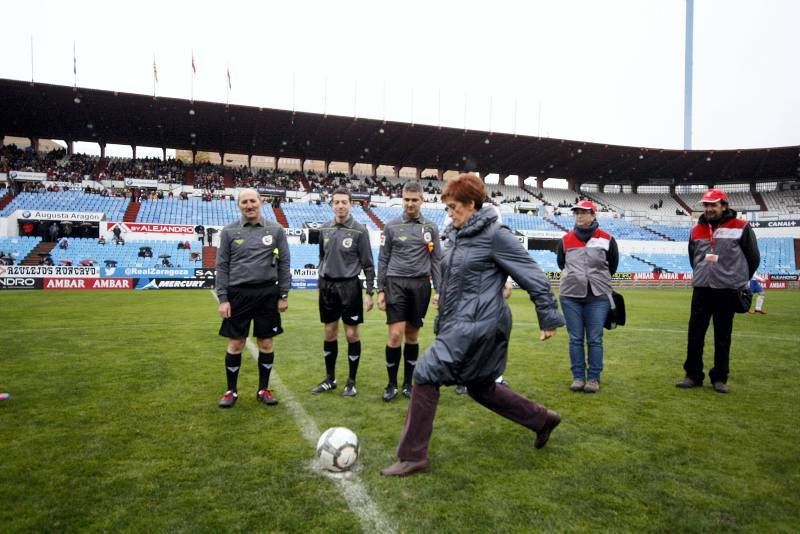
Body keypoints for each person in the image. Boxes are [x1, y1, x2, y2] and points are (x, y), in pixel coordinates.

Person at [380, 174, 564, 477]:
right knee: (480, 388)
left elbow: (531, 273)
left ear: (472, 205)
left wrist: (548, 315)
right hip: (461, 322)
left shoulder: (495, 235)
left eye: (454, 207)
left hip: (480, 324)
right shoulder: (455, 235)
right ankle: (542, 420)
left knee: (425, 373)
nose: (450, 213)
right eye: (448, 208)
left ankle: (412, 456)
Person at [677, 189, 760, 394]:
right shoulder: (696, 230)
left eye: (713, 205)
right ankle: (692, 375)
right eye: (706, 205)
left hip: (727, 290)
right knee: (695, 334)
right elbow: (693, 258)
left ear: (724, 205)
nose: (709, 208)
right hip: (702, 288)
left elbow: (753, 258)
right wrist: (702, 274)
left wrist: (737, 279)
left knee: (723, 336)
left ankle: (720, 377)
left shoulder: (741, 227)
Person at [215, 189, 291, 408]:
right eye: (244, 202)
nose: (249, 205)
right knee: (236, 343)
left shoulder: (275, 230)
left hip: (268, 293)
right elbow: (222, 266)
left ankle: (264, 389)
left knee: (266, 342)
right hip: (238, 295)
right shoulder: (229, 231)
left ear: (261, 202)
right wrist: (223, 298)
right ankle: (231, 391)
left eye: (252, 201)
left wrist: (283, 294)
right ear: (239, 205)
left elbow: (284, 263)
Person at [377, 181, 442, 401]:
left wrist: (439, 290)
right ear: (402, 199)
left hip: (420, 285)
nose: (410, 204)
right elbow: (383, 259)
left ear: (422, 200)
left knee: (412, 335)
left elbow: (436, 260)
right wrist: (380, 289)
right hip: (395, 283)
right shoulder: (391, 226)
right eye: (406, 200)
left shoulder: (431, 228)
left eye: (414, 200)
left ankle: (408, 384)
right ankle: (391, 384)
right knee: (395, 334)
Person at [311, 187, 375, 397]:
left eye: (344, 202)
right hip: (327, 286)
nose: (340, 206)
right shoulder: (324, 229)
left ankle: (351, 381)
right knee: (329, 333)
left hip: (350, 287)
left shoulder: (359, 230)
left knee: (351, 334)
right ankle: (330, 379)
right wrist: (321, 284)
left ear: (350, 204)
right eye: (336, 202)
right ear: (332, 205)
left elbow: (368, 264)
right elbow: (323, 256)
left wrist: (369, 292)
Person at [556, 200, 619, 393]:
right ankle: (577, 377)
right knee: (575, 338)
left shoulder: (607, 239)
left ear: (593, 215)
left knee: (594, 338)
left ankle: (593, 378)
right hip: (570, 296)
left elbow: (612, 265)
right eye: (577, 213)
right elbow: (561, 263)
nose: (580, 216)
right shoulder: (565, 240)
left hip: (598, 297)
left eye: (584, 212)